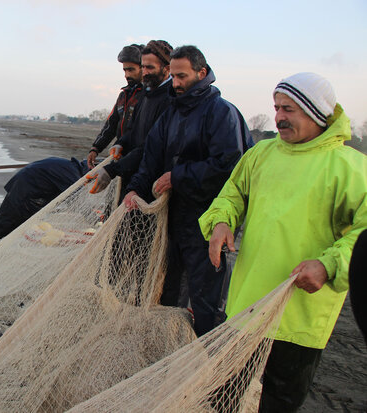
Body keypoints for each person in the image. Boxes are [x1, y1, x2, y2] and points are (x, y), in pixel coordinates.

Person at [199, 72, 367, 411]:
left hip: (301, 313)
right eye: (276, 108)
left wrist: (329, 264)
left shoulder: (352, 169)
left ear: (317, 113)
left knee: (280, 400)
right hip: (247, 303)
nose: (278, 117)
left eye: (288, 109)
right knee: (224, 393)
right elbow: (232, 195)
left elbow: (362, 236)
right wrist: (221, 221)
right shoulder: (261, 154)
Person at [123, 45, 252, 336]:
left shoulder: (222, 113)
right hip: (172, 219)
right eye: (174, 76)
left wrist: (177, 176)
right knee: (167, 292)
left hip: (208, 221)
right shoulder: (169, 115)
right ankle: (166, 349)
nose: (177, 83)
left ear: (202, 73)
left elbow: (229, 166)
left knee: (206, 298)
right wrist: (134, 189)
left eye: (183, 76)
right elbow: (150, 161)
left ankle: (206, 358)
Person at [87, 40, 174, 198]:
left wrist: (112, 170)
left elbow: (151, 146)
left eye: (149, 67)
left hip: (150, 180)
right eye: (143, 67)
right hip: (130, 170)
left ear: (167, 69)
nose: (145, 72)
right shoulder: (144, 93)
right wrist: (121, 143)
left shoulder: (170, 100)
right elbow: (128, 127)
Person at [0, 157, 89, 247]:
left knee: (7, 223)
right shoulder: (73, 175)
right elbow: (77, 200)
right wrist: (91, 216)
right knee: (7, 224)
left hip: (25, 186)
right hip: (25, 191)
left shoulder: (70, 166)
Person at [87, 44, 144, 169]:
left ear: (143, 68)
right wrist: (95, 148)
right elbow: (111, 125)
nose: (126, 75)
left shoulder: (147, 97)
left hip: (138, 159)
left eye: (131, 70)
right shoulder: (123, 95)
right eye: (124, 70)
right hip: (120, 155)